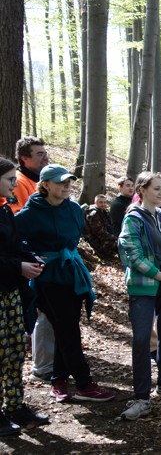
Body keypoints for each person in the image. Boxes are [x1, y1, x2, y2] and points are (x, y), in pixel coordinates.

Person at [15, 164, 116, 404]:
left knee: (66, 326)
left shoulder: (73, 208)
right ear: (46, 185)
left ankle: (58, 380)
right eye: (61, 182)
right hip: (48, 278)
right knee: (67, 328)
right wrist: (33, 258)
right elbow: (15, 241)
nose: (67, 185)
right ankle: (84, 383)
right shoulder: (29, 213)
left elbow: (75, 236)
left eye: (69, 181)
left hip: (71, 273)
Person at [117, 172, 161, 420]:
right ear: (142, 189)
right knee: (142, 339)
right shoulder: (132, 219)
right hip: (144, 285)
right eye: (156, 188)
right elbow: (134, 256)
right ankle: (142, 398)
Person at [0, 157, 49, 434]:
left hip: (10, 293)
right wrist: (18, 266)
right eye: (8, 179)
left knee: (16, 348)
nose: (13, 184)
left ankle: (15, 405)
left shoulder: (5, 210)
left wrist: (30, 258)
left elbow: (16, 243)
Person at [3, 137, 55, 384]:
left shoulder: (39, 181)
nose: (45, 157)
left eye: (45, 153)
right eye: (39, 154)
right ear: (24, 158)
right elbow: (18, 225)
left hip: (36, 257)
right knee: (40, 309)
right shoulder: (21, 183)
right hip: (23, 260)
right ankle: (42, 363)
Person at [83, 194, 117, 259]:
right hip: (95, 241)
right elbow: (100, 233)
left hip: (103, 237)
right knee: (118, 243)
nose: (103, 204)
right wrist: (114, 237)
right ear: (95, 203)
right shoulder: (94, 214)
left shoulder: (104, 211)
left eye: (104, 202)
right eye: (101, 202)